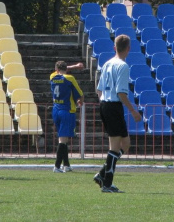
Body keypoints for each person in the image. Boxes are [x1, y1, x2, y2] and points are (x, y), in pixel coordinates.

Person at [93, 35, 141, 193]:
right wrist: (133, 111)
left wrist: (104, 103)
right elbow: (121, 93)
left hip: (105, 104)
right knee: (114, 147)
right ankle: (107, 184)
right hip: (113, 106)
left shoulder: (107, 63)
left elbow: (99, 89)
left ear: (115, 47)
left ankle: (102, 174)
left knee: (125, 143)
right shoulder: (123, 66)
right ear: (128, 48)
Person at [50, 61, 84, 173]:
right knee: (63, 139)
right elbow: (80, 94)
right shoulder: (70, 78)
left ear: (56, 69)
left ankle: (67, 165)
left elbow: (60, 71)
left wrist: (73, 66)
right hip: (67, 110)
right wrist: (80, 101)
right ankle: (56, 166)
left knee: (63, 138)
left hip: (55, 110)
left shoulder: (52, 77)